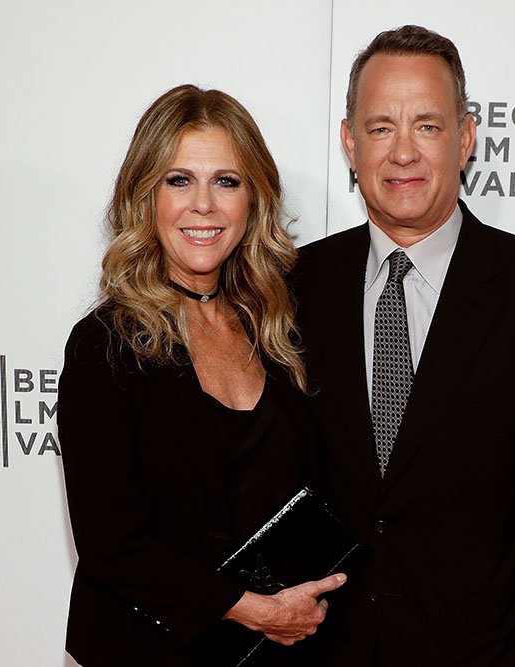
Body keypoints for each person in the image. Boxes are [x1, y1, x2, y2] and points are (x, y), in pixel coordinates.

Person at [295, 26, 515, 667]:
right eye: (380, 127)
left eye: (428, 126)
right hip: (320, 650)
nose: (402, 152)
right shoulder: (290, 287)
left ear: (466, 139)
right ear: (349, 143)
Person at [58, 84, 345, 666]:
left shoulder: (278, 330)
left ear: (253, 200)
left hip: (272, 650)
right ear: (146, 195)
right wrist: (250, 608)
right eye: (179, 179)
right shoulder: (106, 346)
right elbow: (111, 546)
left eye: (227, 181)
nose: (204, 206)